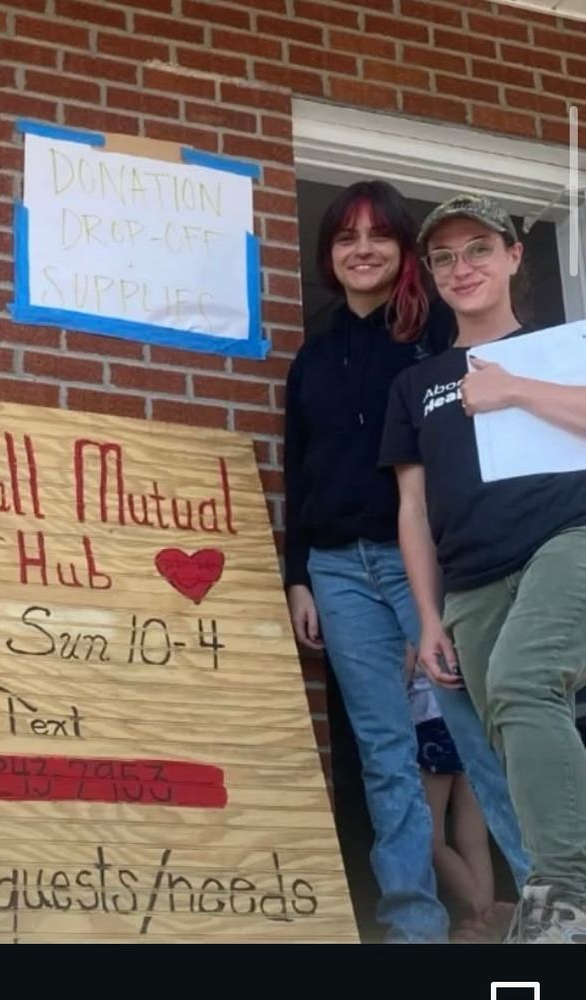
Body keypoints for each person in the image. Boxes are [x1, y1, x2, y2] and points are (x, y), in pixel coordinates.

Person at [284, 181, 527, 944]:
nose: (361, 249)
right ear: (329, 254)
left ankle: (554, 900)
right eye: (344, 237)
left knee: (480, 731)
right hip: (335, 568)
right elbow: (297, 468)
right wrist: (298, 575)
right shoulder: (312, 355)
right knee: (384, 750)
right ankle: (411, 923)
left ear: (401, 251)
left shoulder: (431, 344)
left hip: (420, 562)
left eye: (377, 236)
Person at [381, 193, 586, 943]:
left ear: (511, 256)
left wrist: (512, 389)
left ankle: (562, 896)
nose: (460, 267)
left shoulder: (564, 347)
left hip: (568, 539)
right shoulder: (415, 384)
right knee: (505, 735)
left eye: (477, 249)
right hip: (468, 578)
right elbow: (411, 508)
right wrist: (427, 616)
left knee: (524, 679)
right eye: (443, 257)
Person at [407, 661, 498, 934]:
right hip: (471, 717)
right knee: (475, 840)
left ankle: (483, 916)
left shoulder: (413, 624)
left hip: (428, 720)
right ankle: (487, 919)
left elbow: (405, 668)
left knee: (432, 839)